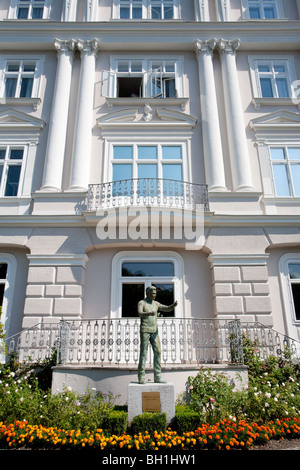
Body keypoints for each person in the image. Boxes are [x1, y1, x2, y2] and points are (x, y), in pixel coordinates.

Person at [137, 286, 177, 384]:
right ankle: (141, 376)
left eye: (155, 293)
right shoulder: (142, 303)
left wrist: (172, 306)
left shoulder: (156, 304)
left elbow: (165, 309)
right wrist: (149, 313)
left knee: (158, 352)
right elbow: (140, 313)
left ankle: (158, 376)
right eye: (153, 293)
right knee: (143, 353)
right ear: (148, 293)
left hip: (155, 330)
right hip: (145, 330)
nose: (154, 295)